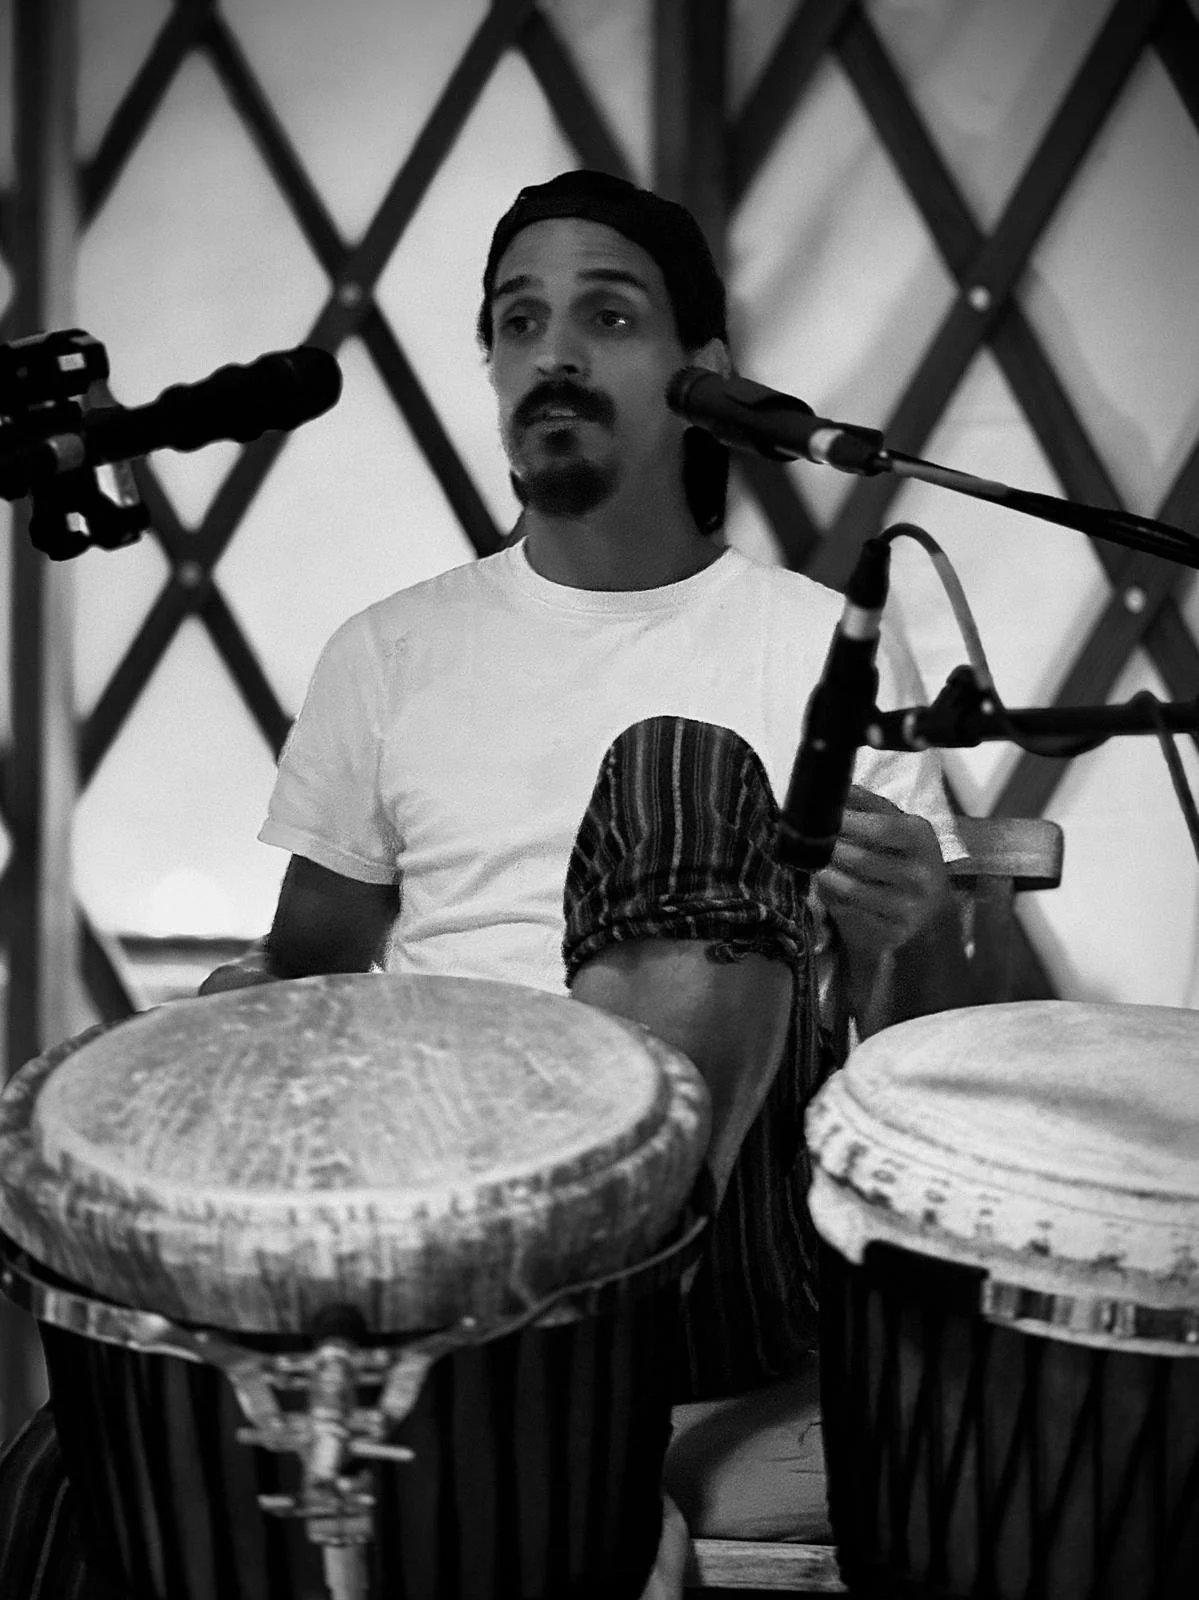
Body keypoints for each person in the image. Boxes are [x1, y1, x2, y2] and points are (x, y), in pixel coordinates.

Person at [0, 170, 972, 1599]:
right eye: (518, 322)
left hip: (717, 1238)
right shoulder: (389, 651)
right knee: (65, 1478)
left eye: (607, 315)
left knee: (681, 773)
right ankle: (515, 1358)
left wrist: (894, 937)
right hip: (435, 1199)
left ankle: (612, 1257)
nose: (553, 355)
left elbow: (930, 1044)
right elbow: (310, 981)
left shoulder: (820, 643)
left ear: (702, 375)